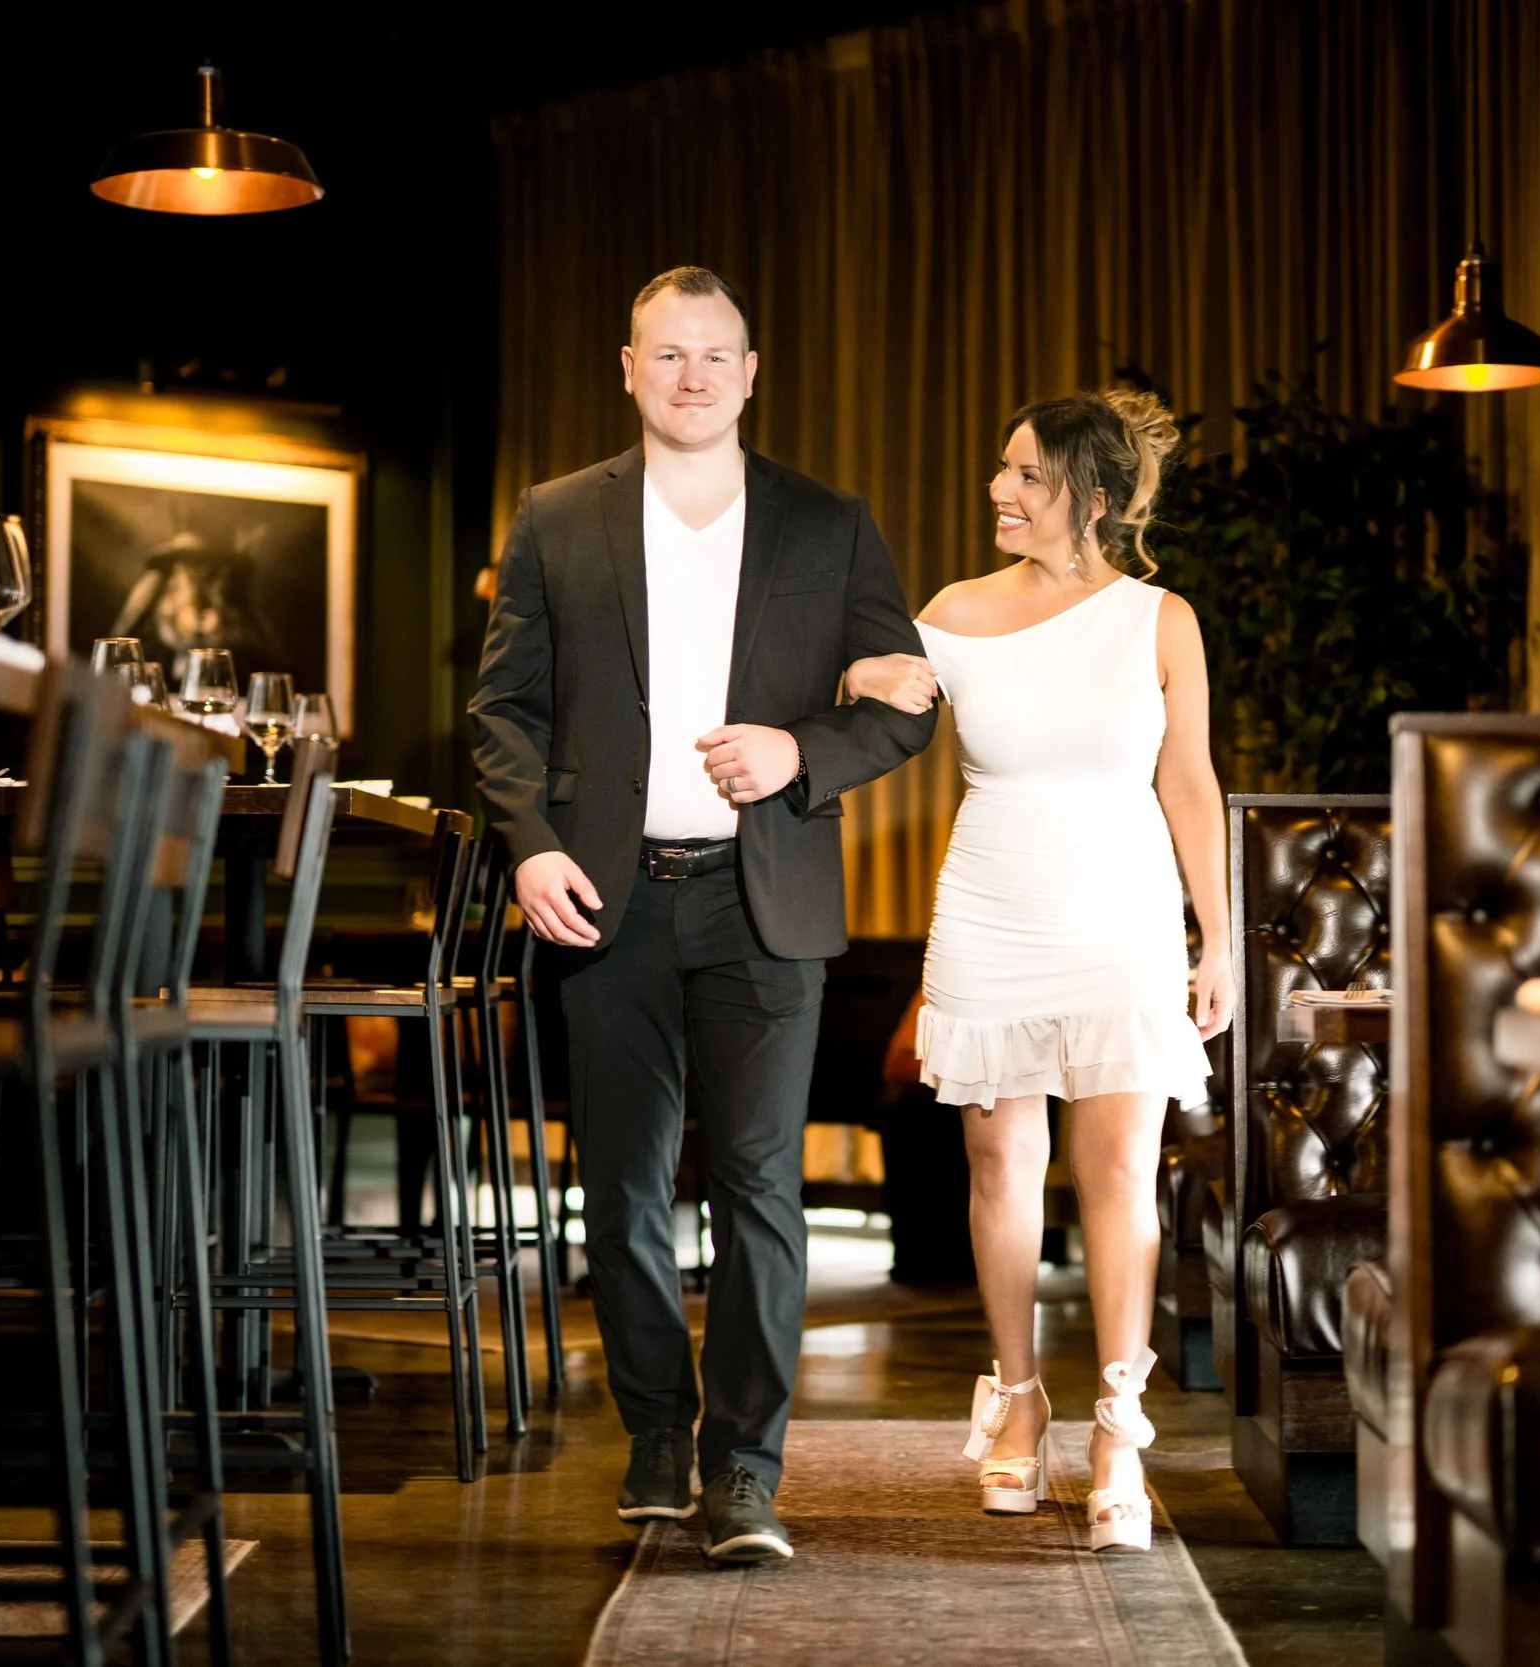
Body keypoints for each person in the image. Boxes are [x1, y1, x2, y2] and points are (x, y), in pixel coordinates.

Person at [470, 266, 936, 1563]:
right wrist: (530, 847)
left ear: (750, 370)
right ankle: (657, 1433)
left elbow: (900, 699)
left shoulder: (828, 525)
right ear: (628, 368)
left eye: (714, 355)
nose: (691, 377)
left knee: (759, 1190)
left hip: (762, 896)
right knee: (617, 1195)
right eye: (666, 355)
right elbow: (502, 710)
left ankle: (743, 1466)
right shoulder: (555, 517)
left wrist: (802, 752)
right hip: (605, 903)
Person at [842, 388, 1231, 1553]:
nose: (1000, 489)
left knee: (1117, 1167)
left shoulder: (1163, 619)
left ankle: (1120, 1419)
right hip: (988, 902)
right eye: (1001, 468)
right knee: (998, 1155)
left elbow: (1189, 784)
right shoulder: (953, 610)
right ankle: (1018, 1394)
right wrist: (860, 679)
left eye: (1026, 474)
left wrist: (1215, 935)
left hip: (1121, 905)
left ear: (1095, 497)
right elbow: (879, 708)